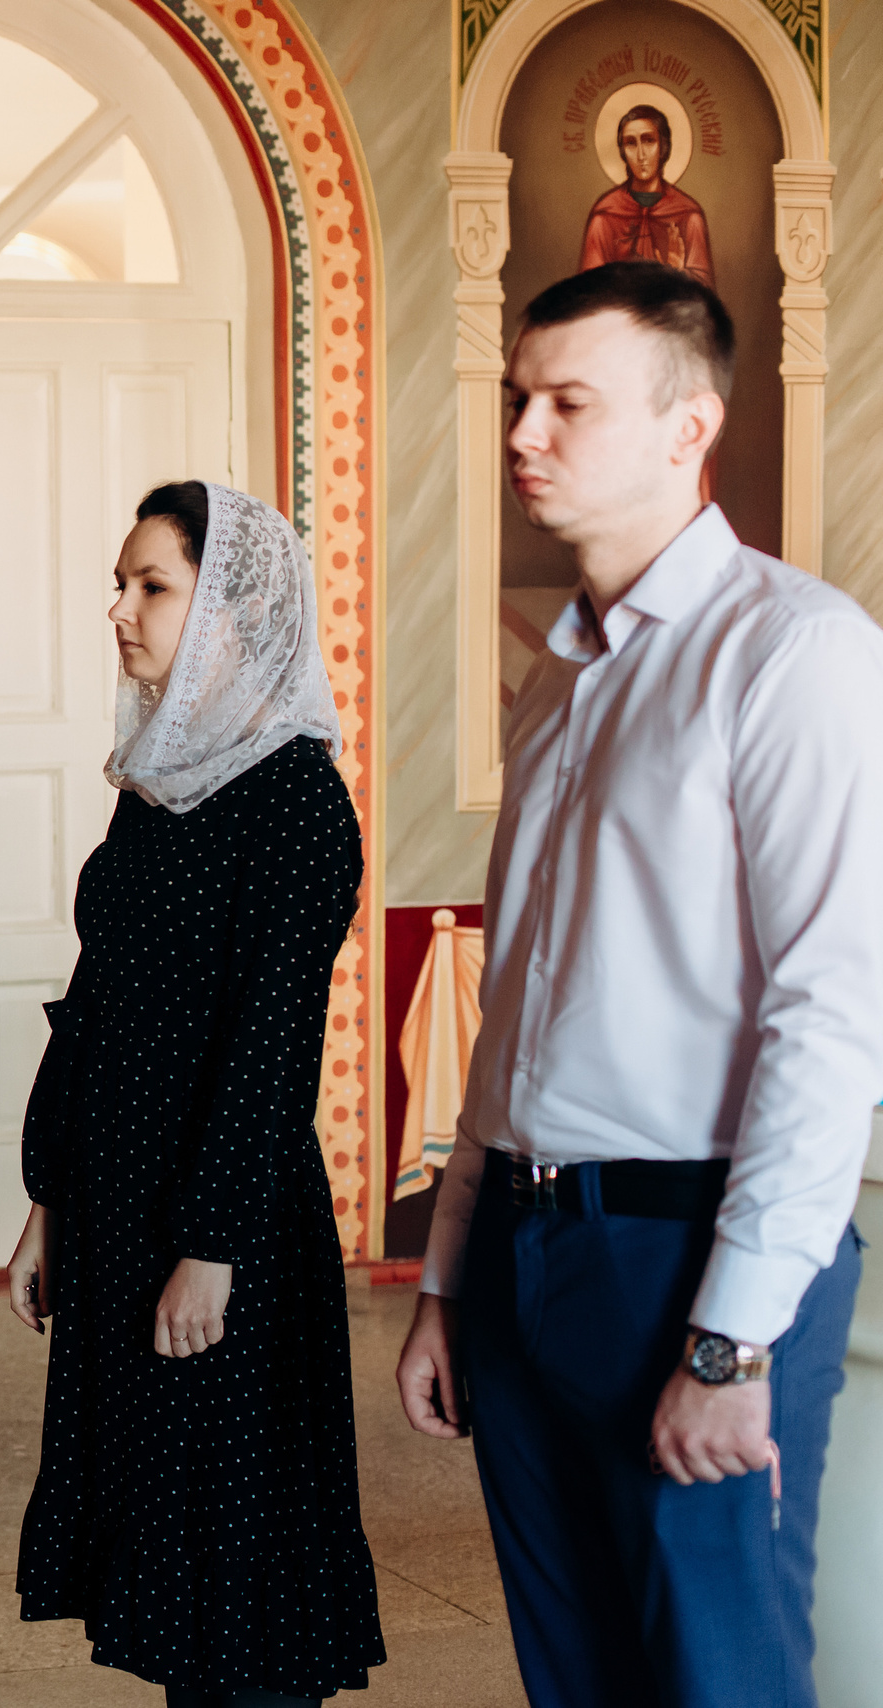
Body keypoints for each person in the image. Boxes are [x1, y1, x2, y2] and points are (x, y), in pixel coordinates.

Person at [394, 261, 883, 1706]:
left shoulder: (794, 653)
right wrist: (449, 1280)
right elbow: (517, 1018)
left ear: (689, 429)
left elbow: (830, 1012)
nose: (523, 434)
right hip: (534, 1259)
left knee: (715, 1679)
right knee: (580, 1679)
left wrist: (731, 1342)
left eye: (567, 404)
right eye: (518, 400)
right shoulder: (558, 682)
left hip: (687, 1257)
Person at [7, 481, 383, 1707]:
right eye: (120, 584)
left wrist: (211, 1247)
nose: (118, 609)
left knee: (238, 1568)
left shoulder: (295, 799)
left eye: (151, 586)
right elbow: (95, 994)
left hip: (222, 1226)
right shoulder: (158, 783)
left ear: (231, 608)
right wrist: (48, 1197)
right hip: (119, 1198)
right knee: (167, 1565)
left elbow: (270, 1045)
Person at [576, 106, 713, 287]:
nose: (641, 155)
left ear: (663, 146)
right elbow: (588, 293)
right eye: (631, 143)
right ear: (622, 151)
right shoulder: (604, 217)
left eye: (649, 141)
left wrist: (678, 274)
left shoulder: (688, 215)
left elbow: (706, 300)